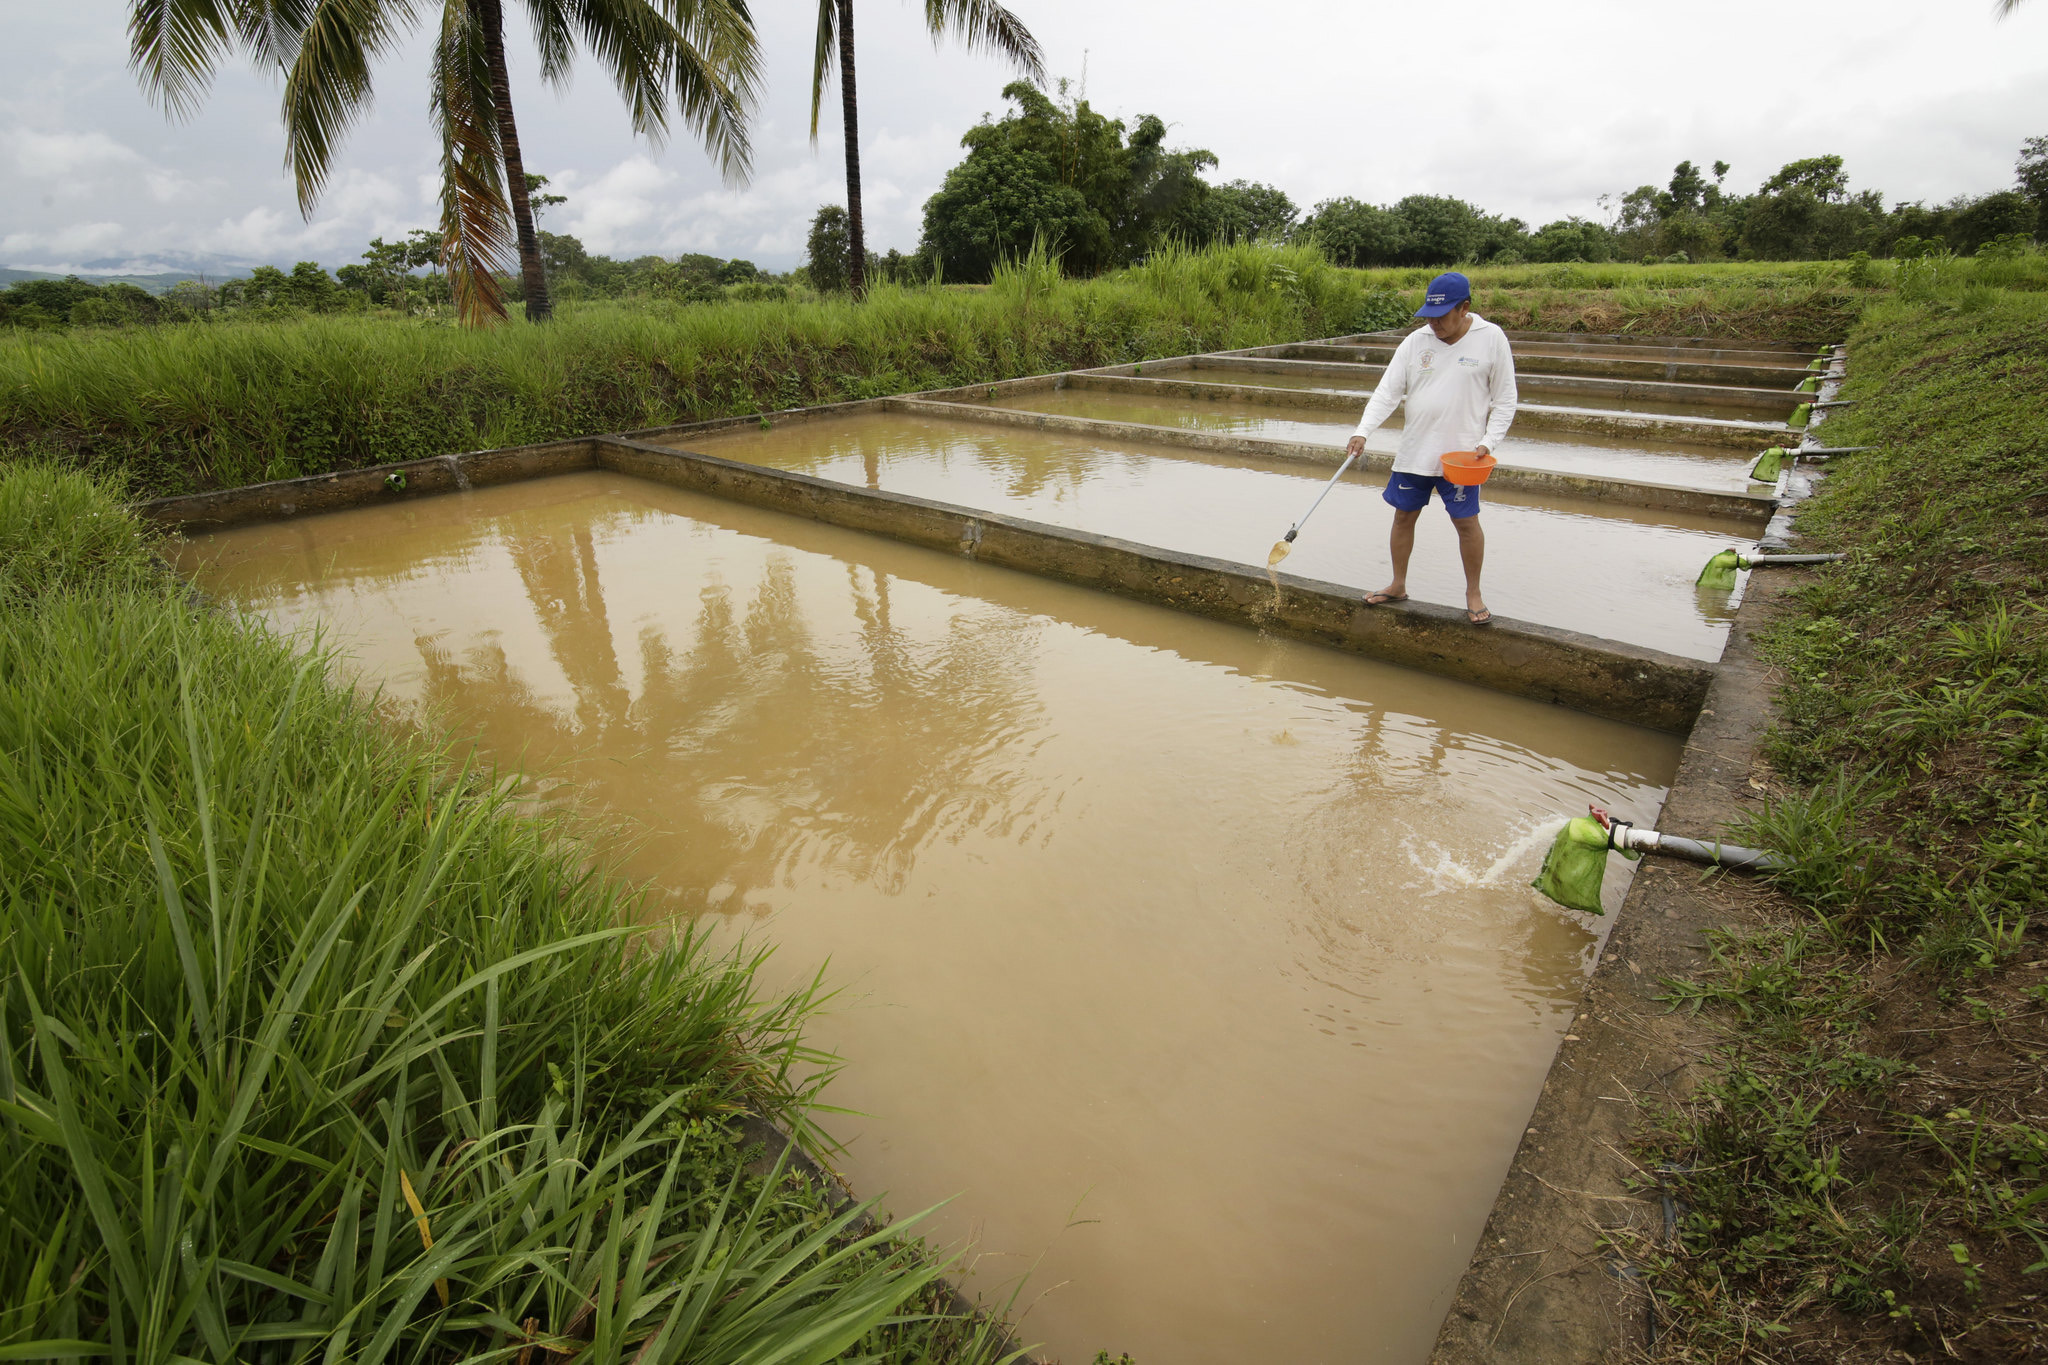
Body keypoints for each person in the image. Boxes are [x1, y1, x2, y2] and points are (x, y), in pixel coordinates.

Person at [1344, 271, 1517, 625]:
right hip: (1415, 451)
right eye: (1428, 316)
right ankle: (1397, 584)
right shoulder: (1415, 342)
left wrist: (1488, 442)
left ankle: (1473, 593)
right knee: (1403, 516)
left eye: (1441, 317)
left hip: (1462, 458)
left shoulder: (1491, 338)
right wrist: (1364, 430)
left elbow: (1505, 400)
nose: (1433, 324)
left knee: (1466, 523)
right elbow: (1387, 392)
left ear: (1464, 307)